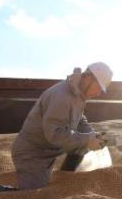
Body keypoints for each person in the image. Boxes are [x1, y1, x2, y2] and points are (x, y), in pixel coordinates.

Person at [11, 62, 113, 190]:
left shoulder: (78, 94)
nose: (98, 93)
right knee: (32, 197)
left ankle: (67, 177)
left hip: (49, 149)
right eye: (98, 87)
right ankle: (8, 195)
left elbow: (80, 119)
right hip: (33, 153)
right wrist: (87, 139)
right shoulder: (62, 96)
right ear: (88, 78)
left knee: (83, 147)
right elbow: (54, 134)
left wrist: (93, 135)